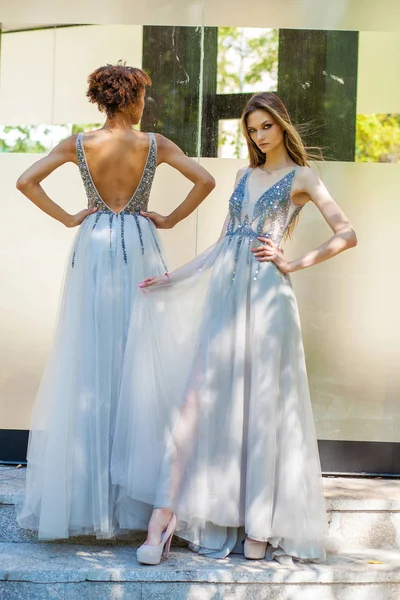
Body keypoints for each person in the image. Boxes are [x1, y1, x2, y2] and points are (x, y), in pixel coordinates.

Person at [119, 91, 357, 565]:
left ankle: (260, 526)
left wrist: (293, 262)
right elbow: (223, 242)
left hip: (268, 301)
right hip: (225, 299)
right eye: (251, 129)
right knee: (197, 403)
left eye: (266, 126)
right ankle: (163, 520)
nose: (258, 135)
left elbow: (347, 234)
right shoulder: (242, 175)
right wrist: (175, 276)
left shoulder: (304, 177)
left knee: (264, 406)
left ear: (282, 126)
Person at [15, 63, 215, 540]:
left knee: (90, 359)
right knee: (140, 359)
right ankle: (139, 498)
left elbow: (26, 180)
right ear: (131, 99)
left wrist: (69, 217)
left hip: (96, 241)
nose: (146, 103)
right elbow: (205, 181)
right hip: (140, 243)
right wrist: (166, 219)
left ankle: (90, 495)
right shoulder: (155, 144)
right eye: (143, 95)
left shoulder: (79, 144)